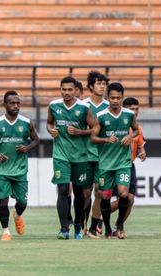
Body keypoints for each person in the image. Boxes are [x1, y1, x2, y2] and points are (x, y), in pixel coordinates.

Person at [0, 91, 39, 241]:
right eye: (12, 103)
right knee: (3, 200)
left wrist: (27, 148)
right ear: (5, 105)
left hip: (20, 169)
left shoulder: (27, 123)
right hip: (1, 170)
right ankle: (6, 231)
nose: (15, 106)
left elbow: (36, 140)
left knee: (23, 202)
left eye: (18, 103)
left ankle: (18, 215)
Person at [89, 82, 138, 239]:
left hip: (123, 162)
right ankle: (108, 228)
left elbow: (136, 129)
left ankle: (120, 225)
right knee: (105, 196)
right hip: (105, 164)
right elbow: (93, 138)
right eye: (112, 98)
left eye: (118, 98)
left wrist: (130, 136)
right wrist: (105, 139)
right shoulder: (101, 116)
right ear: (107, 97)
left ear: (122, 97)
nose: (115, 101)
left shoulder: (129, 115)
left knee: (124, 194)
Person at [46, 75, 90, 239]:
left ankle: (78, 225)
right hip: (60, 154)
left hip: (80, 156)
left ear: (76, 90)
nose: (67, 92)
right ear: (60, 90)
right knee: (63, 189)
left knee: (79, 193)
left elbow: (94, 129)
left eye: (70, 89)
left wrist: (80, 132)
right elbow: (49, 123)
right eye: (64, 89)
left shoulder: (84, 108)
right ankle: (64, 228)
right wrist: (51, 129)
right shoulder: (54, 106)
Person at [83, 70, 109, 238]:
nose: (102, 86)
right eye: (99, 83)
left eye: (104, 83)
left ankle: (93, 227)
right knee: (85, 193)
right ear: (91, 86)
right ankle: (82, 223)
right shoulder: (83, 105)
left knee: (99, 192)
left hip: (103, 156)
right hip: (85, 154)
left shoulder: (110, 106)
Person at [112, 97, 146, 223]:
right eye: (132, 109)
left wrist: (142, 153)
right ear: (125, 109)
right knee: (114, 198)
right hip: (113, 164)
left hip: (129, 165)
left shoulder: (138, 129)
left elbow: (140, 148)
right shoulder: (117, 124)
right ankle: (97, 219)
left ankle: (118, 226)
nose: (135, 112)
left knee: (130, 199)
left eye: (137, 109)